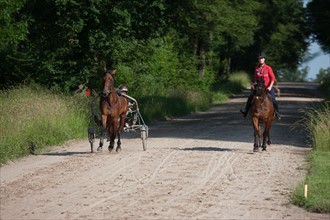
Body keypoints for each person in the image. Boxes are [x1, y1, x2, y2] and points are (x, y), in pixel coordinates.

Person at [240, 53, 281, 120]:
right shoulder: (256, 68)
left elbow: (273, 78)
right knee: (250, 97)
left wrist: (270, 86)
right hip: (258, 88)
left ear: (264, 59)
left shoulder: (268, 68)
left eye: (262, 58)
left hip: (267, 87)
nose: (260, 60)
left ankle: (277, 113)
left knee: (273, 99)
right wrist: (253, 85)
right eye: (259, 58)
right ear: (258, 60)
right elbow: (255, 79)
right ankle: (246, 111)